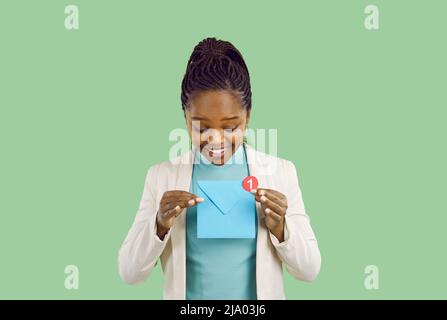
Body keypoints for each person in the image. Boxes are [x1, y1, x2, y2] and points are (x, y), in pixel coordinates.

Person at [118, 37, 321, 300]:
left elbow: (309, 271)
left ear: (247, 116)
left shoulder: (281, 172)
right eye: (201, 127)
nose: (216, 139)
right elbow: (129, 273)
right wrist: (159, 225)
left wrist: (282, 229)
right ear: (185, 117)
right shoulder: (161, 176)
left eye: (230, 127)